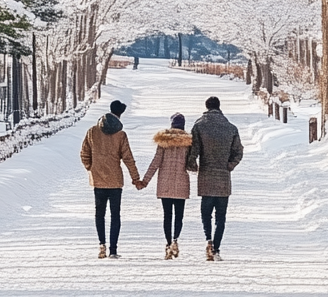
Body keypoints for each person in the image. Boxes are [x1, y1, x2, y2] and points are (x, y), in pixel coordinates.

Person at [79, 99, 142, 259]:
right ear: (120, 114)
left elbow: (84, 153)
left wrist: (91, 168)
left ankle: (101, 245)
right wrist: (136, 178)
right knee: (115, 215)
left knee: (99, 214)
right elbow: (128, 158)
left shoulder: (92, 131)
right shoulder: (120, 135)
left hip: (98, 180)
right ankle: (113, 250)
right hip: (115, 181)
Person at [186, 95, 243, 261]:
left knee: (206, 213)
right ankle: (216, 248)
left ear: (206, 106)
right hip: (223, 177)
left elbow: (194, 150)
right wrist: (229, 165)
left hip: (206, 175)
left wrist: (192, 165)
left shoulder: (199, 125)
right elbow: (238, 152)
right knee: (221, 217)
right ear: (219, 107)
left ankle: (208, 239)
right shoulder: (231, 128)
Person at [140, 113, 193, 259]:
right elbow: (192, 164)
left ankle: (168, 243)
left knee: (167, 215)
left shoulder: (163, 141)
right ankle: (176, 239)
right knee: (179, 216)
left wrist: (145, 181)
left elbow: (156, 162)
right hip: (182, 182)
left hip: (165, 183)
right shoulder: (188, 142)